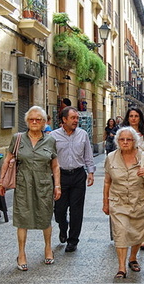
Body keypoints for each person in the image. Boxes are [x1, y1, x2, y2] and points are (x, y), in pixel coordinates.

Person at [0, 106, 61, 271]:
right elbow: (7, 161)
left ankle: (48, 248)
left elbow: (55, 166)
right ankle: (21, 253)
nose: (34, 122)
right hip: (23, 183)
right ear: (27, 121)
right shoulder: (18, 138)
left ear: (43, 122)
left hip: (44, 184)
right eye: (31, 119)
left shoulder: (50, 140)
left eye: (38, 120)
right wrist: (1, 181)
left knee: (45, 217)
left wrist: (57, 186)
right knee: (22, 219)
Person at [102, 126, 144, 279]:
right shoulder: (111, 157)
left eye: (129, 139)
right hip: (118, 201)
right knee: (121, 232)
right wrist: (105, 203)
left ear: (134, 141)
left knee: (137, 232)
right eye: (122, 139)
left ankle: (132, 258)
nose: (125, 142)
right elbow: (107, 182)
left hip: (138, 201)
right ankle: (121, 267)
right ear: (117, 141)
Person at [50, 106, 96, 252]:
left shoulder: (83, 135)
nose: (76, 121)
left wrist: (90, 172)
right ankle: (63, 228)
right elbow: (49, 158)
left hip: (77, 175)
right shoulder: (53, 136)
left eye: (77, 118)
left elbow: (88, 155)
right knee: (59, 210)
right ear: (64, 120)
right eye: (73, 118)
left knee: (77, 210)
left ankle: (73, 240)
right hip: (60, 176)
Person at [121, 107, 144, 250]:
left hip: (140, 174)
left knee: (141, 208)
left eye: (136, 116)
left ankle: (142, 238)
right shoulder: (122, 133)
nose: (133, 118)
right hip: (124, 172)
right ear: (127, 118)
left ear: (140, 118)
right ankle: (124, 233)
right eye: (131, 116)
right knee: (124, 205)